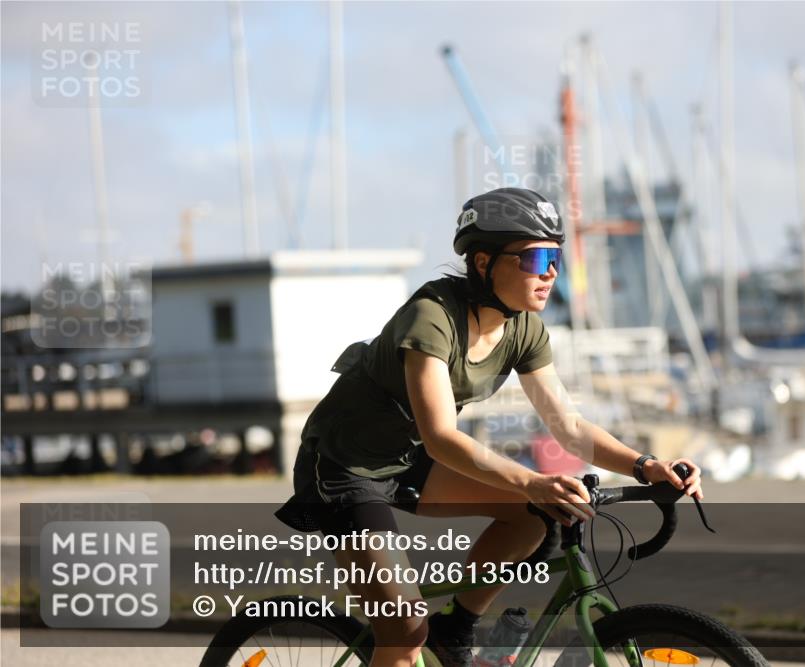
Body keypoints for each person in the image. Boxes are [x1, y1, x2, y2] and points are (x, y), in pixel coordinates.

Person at [276, 187, 704, 667]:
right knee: (403, 632)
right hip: (342, 467)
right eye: (535, 257)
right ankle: (422, 636)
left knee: (530, 515)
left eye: (556, 257)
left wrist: (644, 465)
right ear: (483, 263)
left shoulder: (523, 328)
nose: (550, 272)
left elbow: (568, 425)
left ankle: (454, 626)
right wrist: (534, 480)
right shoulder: (431, 317)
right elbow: (441, 437)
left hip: (407, 459)